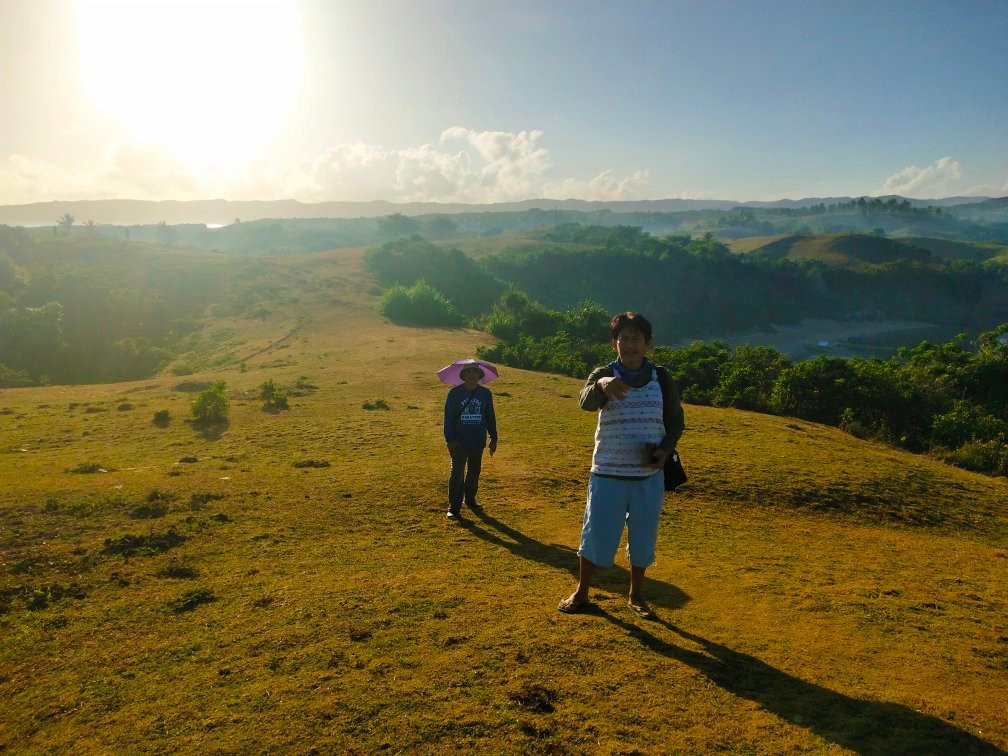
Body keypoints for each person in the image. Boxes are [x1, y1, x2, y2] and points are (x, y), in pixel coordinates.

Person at [558, 312, 685, 618]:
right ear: (614, 343)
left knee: (643, 536)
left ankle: (636, 596)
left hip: (648, 476)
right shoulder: (604, 374)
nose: (630, 344)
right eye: (623, 338)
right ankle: (582, 592)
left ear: (648, 344)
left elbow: (676, 421)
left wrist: (665, 451)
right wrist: (602, 383)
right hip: (607, 473)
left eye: (636, 339)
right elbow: (584, 402)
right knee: (595, 534)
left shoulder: (662, 378)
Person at [444, 364, 498, 519]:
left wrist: (493, 437)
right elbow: (448, 418)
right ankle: (454, 508)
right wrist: (450, 440)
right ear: (463, 375)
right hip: (459, 442)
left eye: (475, 372)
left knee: (474, 472)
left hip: (477, 441)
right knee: (457, 474)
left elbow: (490, 416)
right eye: (468, 372)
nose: (472, 375)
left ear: (480, 375)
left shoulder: (485, 394)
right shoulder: (455, 393)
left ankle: (470, 500)